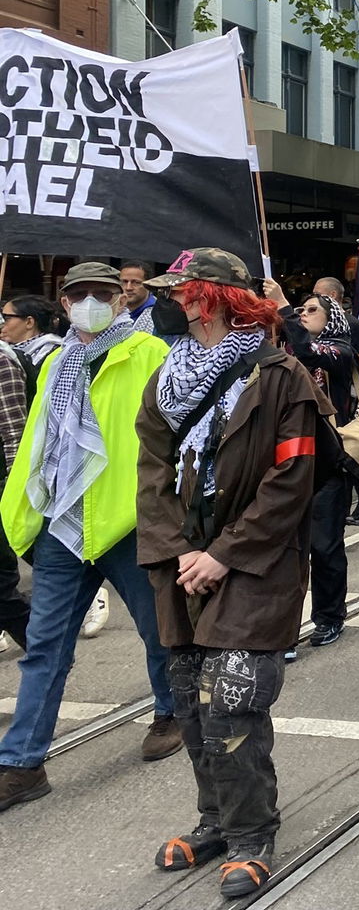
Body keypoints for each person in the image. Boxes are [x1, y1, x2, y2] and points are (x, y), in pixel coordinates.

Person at [135, 249, 326, 897]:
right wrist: (178, 548)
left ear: (222, 297)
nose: (181, 301)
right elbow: (152, 472)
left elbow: (291, 481)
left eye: (190, 291)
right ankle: (214, 818)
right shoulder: (165, 377)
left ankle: (251, 834)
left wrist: (225, 552)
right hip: (181, 564)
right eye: (178, 292)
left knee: (235, 698)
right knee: (189, 698)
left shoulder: (282, 375)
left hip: (257, 562)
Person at [0, 263, 181, 813]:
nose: (90, 303)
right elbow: (38, 440)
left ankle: (170, 712)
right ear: (64, 300)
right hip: (64, 524)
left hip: (128, 524)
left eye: (102, 294)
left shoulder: (151, 354)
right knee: (45, 646)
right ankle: (21, 763)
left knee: (159, 632)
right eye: (79, 295)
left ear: (122, 299)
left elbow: (173, 437)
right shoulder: (56, 362)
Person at [265, 281, 357, 655]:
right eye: (299, 311)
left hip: (329, 463)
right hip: (288, 461)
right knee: (285, 550)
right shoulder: (281, 352)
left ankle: (329, 616)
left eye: (310, 310)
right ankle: (284, 629)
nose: (302, 315)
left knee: (323, 545)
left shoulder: (340, 350)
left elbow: (308, 349)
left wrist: (284, 306)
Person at [313, 276, 359, 522]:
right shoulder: (317, 330)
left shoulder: (352, 325)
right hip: (323, 399)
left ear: (332, 296)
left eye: (318, 296)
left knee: (342, 448)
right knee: (336, 450)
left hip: (342, 400)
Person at [0, 343, 29, 654]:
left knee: (2, 587)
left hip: (1, 486)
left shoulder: (2, 364)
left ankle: (43, 646)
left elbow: (13, 434)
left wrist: (12, 493)